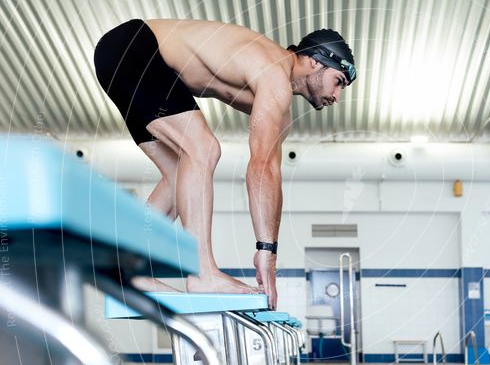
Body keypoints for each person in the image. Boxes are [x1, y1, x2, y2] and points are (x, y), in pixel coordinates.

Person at [94, 19, 356, 308]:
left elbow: (271, 178)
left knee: (181, 170)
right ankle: (203, 273)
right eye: (339, 81)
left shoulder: (280, 108)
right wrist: (265, 251)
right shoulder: (274, 73)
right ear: (316, 61)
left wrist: (268, 253)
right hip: (135, 48)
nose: (337, 96)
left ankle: (127, 269)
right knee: (203, 149)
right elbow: (260, 168)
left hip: (124, 56)